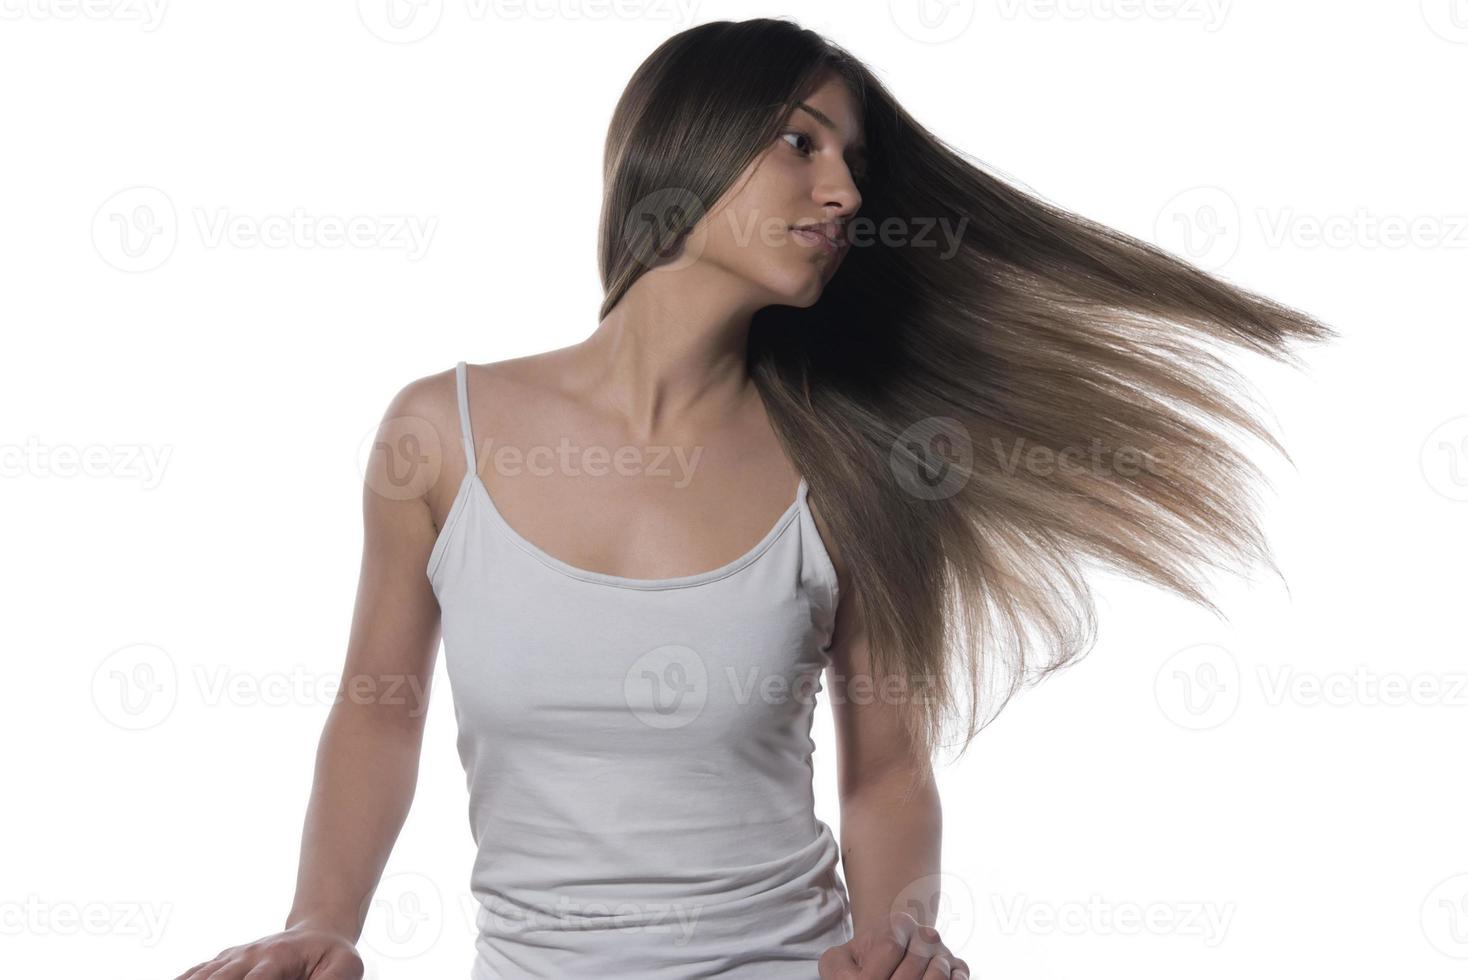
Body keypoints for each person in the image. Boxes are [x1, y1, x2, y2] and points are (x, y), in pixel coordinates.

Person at [172, 16, 1331, 980]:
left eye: (854, 165)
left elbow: (886, 768)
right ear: (688, 146)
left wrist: (899, 935)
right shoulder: (439, 434)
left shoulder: (851, 466)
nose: (840, 191)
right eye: (799, 142)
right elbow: (379, 708)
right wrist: (322, 920)